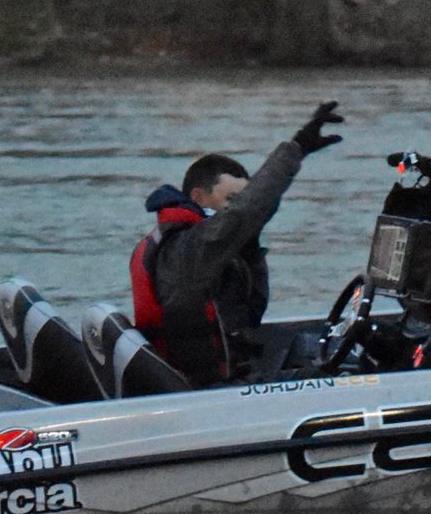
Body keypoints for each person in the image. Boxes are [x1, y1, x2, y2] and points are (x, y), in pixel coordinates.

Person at [130, 101, 343, 386]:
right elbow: (247, 212)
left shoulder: (209, 253)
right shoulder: (185, 250)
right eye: (230, 199)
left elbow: (251, 311)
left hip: (229, 376)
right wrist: (297, 148)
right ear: (197, 197)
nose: (235, 209)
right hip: (206, 388)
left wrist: (251, 249)